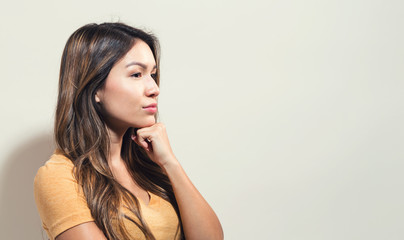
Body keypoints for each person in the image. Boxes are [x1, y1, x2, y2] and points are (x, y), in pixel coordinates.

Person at [33, 22, 223, 240]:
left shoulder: (148, 165)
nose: (154, 89)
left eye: (152, 74)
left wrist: (170, 163)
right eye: (136, 74)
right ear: (94, 88)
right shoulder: (60, 176)